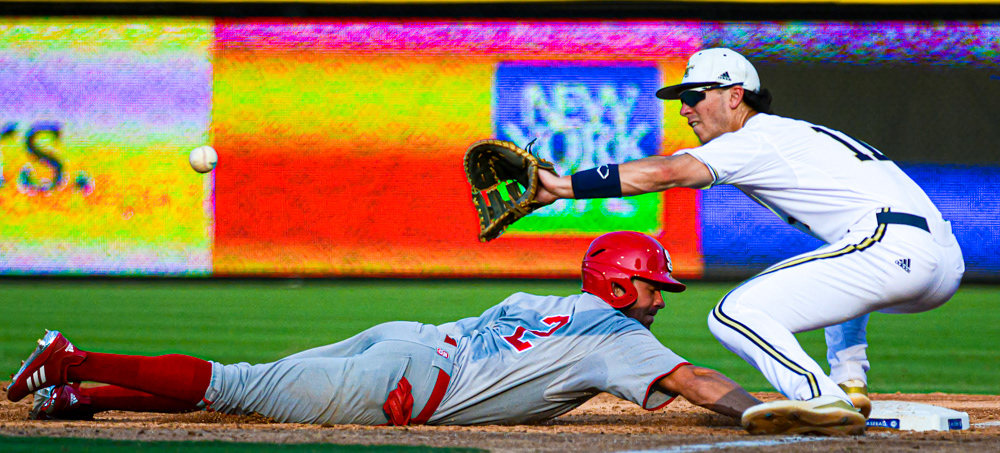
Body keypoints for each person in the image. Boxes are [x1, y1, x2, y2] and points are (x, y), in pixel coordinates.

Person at [9, 231, 836, 432]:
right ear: (623, 283)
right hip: (405, 383)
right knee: (236, 384)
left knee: (246, 390)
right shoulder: (620, 337)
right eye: (653, 283)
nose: (660, 298)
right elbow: (697, 382)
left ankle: (82, 397)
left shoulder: (539, 299)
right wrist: (766, 410)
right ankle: (72, 359)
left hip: (404, 338)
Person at [536, 48, 964, 434]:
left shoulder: (755, 138)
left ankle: (821, 397)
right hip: (937, 259)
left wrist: (561, 187)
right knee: (838, 260)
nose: (684, 109)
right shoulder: (791, 134)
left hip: (893, 246)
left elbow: (666, 173)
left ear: (734, 96)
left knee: (733, 313)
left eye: (694, 96)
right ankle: (849, 384)